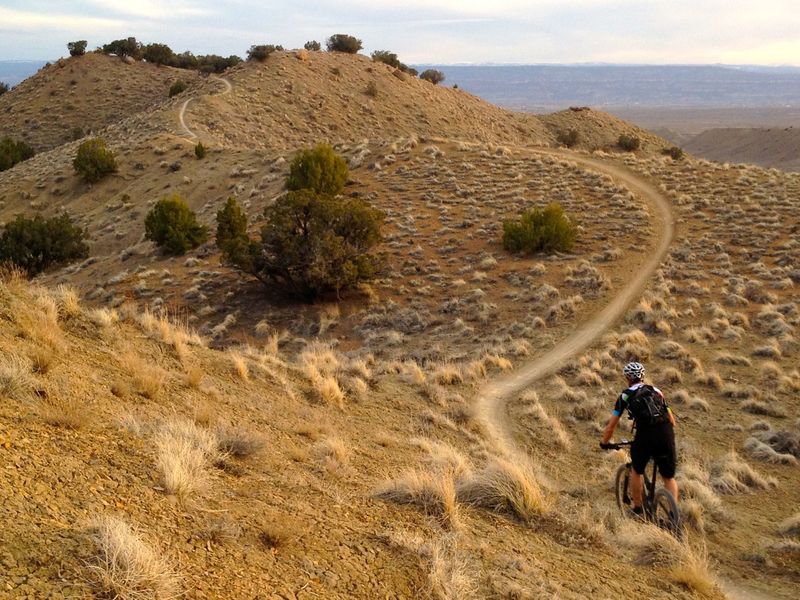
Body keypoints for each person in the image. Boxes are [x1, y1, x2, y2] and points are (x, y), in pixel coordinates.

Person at [600, 361, 678, 515]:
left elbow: (611, 426)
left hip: (646, 435)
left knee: (637, 470)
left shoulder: (625, 396)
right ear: (642, 376)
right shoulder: (657, 391)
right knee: (668, 476)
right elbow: (672, 421)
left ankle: (637, 508)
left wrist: (604, 442)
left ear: (627, 377)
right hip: (666, 433)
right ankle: (673, 514)